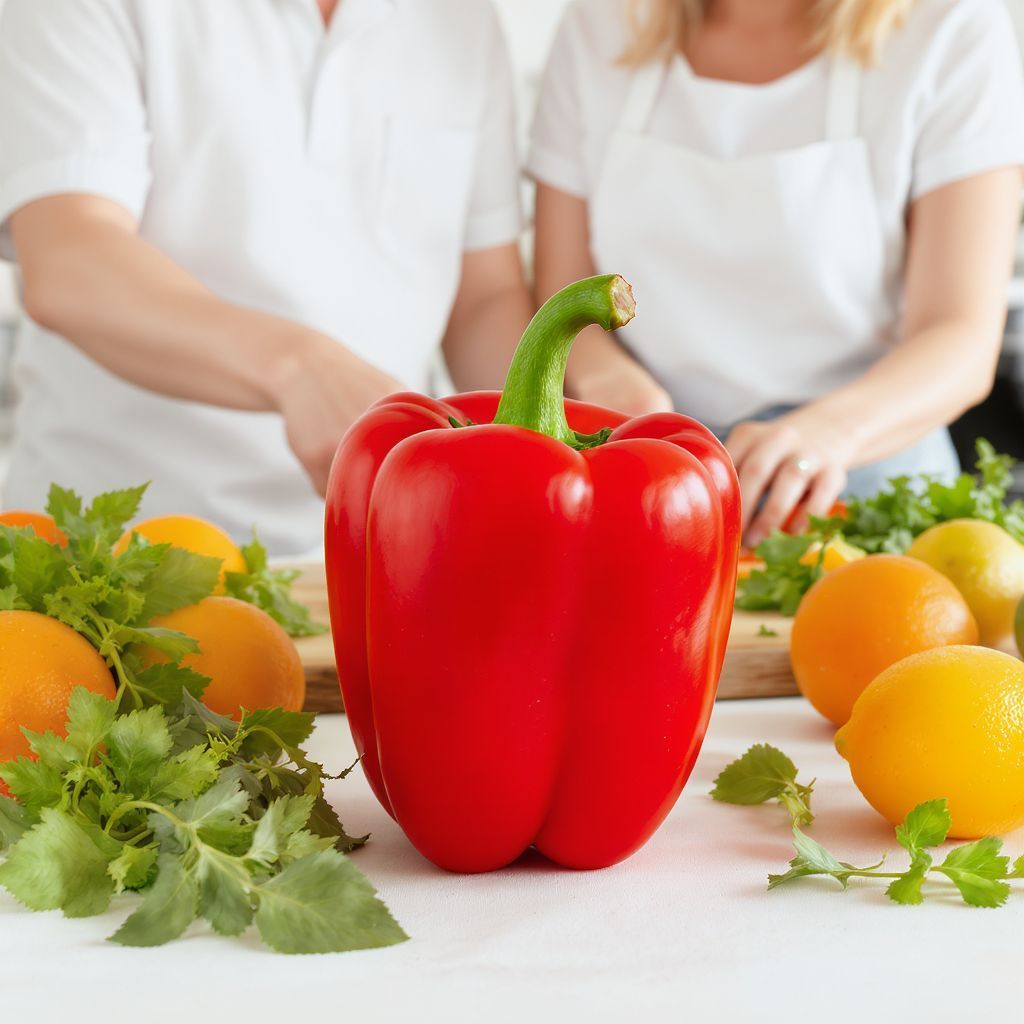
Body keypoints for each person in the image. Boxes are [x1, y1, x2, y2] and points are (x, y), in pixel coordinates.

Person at [0, 0, 531, 556]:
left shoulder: (464, 18)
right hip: (114, 559)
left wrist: (544, 461)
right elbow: (70, 259)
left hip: (375, 553)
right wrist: (298, 366)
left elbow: (484, 298)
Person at [529, 0, 1024, 545]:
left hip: (865, 480)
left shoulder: (952, 27)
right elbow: (561, 288)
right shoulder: (601, 24)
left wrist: (830, 432)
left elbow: (960, 334)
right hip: (647, 479)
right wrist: (612, 384)